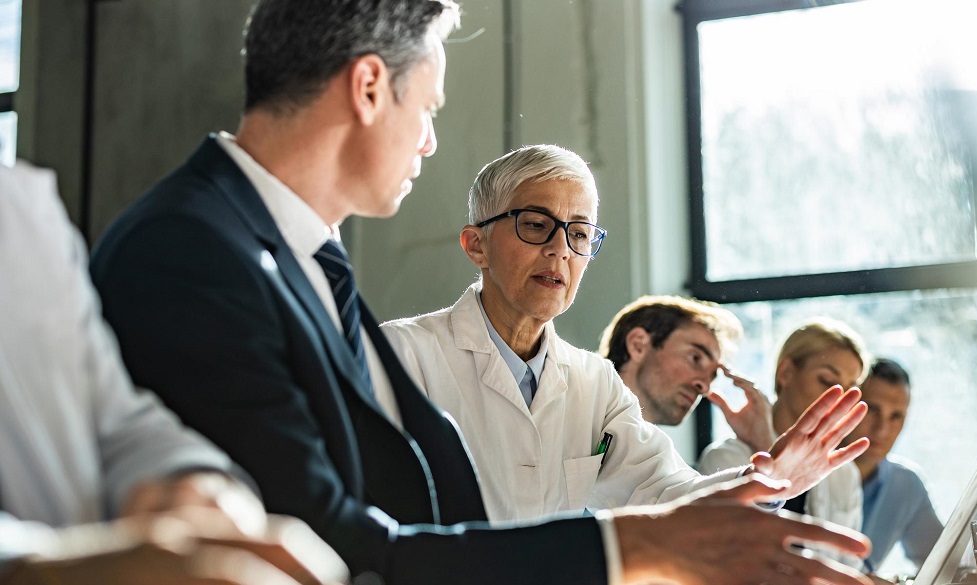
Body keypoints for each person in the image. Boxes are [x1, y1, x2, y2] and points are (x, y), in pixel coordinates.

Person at [89, 1, 874, 584]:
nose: (431, 140)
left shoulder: (297, 259)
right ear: (370, 86)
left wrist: (761, 481)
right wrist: (624, 546)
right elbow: (321, 539)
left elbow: (409, 508)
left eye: (579, 234)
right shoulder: (191, 252)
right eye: (428, 107)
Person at [382, 145, 870, 523]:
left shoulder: (595, 383)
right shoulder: (401, 355)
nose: (560, 250)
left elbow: (665, 492)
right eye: (535, 224)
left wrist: (767, 480)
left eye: (578, 233)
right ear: (477, 245)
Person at [0, 161, 346, 585]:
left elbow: (116, 421)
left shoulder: (21, 210)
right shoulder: (180, 237)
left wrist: (188, 481)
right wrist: (28, 567)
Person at [699, 318, 869, 561]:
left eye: (850, 389)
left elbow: (850, 564)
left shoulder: (844, 473)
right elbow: (732, 556)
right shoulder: (726, 460)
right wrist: (765, 450)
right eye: (827, 381)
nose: (839, 400)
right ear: (786, 373)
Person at [598, 295, 776, 449]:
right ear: (638, 345)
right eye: (695, 358)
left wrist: (761, 443)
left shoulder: (654, 459)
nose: (705, 387)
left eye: (713, 376)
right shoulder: (582, 422)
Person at [844, 359, 942, 572]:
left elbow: (944, 565)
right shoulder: (808, 476)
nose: (882, 430)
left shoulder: (906, 485)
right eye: (872, 410)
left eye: (896, 416)